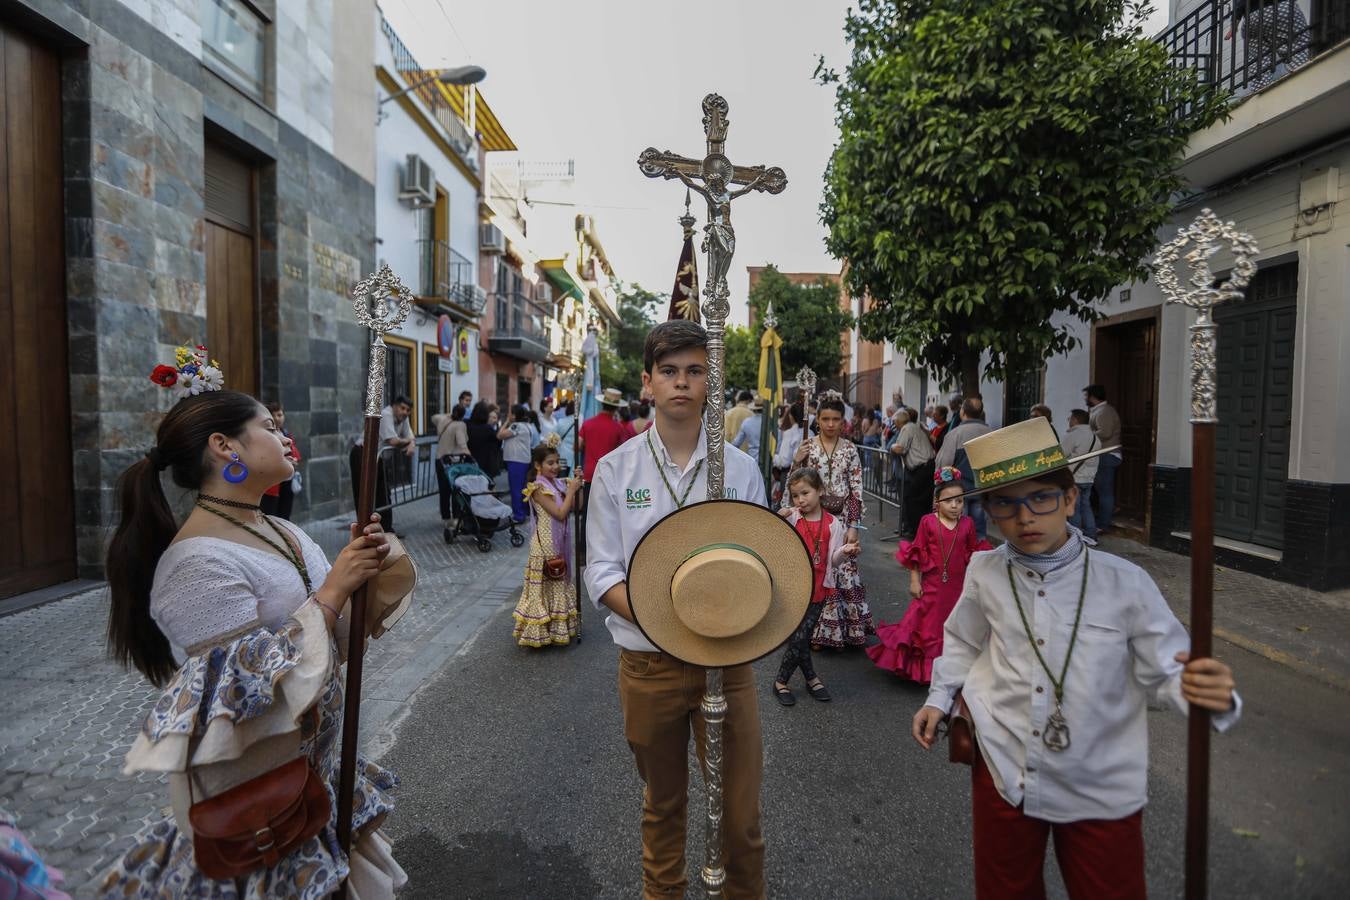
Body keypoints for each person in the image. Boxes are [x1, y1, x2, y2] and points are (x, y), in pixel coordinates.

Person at [912, 417, 1239, 900]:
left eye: (1041, 498)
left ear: (1070, 499)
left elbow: (1168, 668)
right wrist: (939, 698)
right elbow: (963, 639)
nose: (1025, 518)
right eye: (1005, 503)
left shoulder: (1124, 583)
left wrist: (1202, 690)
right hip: (1004, 766)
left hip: (1099, 780)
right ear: (991, 513)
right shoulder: (985, 572)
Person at [97, 389, 405, 898]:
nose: (286, 437)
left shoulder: (281, 529)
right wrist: (332, 591)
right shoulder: (195, 566)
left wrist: (368, 571)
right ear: (225, 446)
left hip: (315, 774)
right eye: (269, 426)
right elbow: (250, 694)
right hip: (259, 799)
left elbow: (338, 644)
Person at [584, 319, 768, 899]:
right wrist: (670, 618)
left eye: (694, 371)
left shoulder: (739, 469)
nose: (681, 383)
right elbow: (603, 570)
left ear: (710, 382)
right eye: (668, 372)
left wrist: (726, 612)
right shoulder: (617, 469)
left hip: (727, 665)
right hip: (649, 665)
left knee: (739, 821)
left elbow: (764, 566)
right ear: (648, 382)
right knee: (663, 809)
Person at [867, 466, 990, 683]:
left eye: (959, 501)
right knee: (927, 625)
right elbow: (916, 553)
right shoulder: (928, 522)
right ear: (937, 501)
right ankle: (924, 670)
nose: (954, 505)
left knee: (953, 623)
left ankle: (951, 668)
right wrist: (915, 581)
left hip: (957, 586)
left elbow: (972, 554)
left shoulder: (968, 524)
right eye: (948, 500)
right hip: (932, 585)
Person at [789, 394, 873, 649]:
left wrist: (854, 526)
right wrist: (796, 460)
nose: (830, 424)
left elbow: (857, 489)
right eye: (825, 418)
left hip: (843, 517)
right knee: (817, 570)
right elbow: (795, 485)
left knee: (843, 569)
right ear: (818, 420)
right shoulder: (808, 447)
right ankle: (815, 631)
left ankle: (846, 630)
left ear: (842, 421)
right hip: (814, 518)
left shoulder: (850, 449)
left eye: (835, 419)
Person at [772, 467, 860, 706]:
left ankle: (803, 678)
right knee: (800, 636)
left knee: (803, 636)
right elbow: (773, 538)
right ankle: (789, 680)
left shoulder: (833, 524)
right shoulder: (793, 518)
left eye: (805, 493)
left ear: (820, 490)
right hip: (793, 587)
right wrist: (779, 515)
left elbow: (833, 559)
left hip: (819, 587)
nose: (801, 500)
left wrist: (846, 551)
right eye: (796, 495)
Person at [513, 440, 583, 647]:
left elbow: (576, 507)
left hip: (558, 542)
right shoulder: (537, 488)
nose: (555, 467)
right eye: (550, 463)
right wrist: (571, 491)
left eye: (557, 462)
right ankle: (539, 632)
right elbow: (560, 514)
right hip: (544, 545)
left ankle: (556, 629)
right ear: (538, 466)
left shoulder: (558, 484)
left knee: (558, 583)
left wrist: (576, 486)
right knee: (544, 585)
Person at [937, 396, 993, 539]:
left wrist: (939, 491)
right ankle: (979, 557)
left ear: (963, 412)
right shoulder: (991, 434)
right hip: (982, 490)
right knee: (979, 531)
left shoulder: (955, 434)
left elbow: (944, 465)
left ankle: (961, 559)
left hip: (959, 492)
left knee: (958, 531)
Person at [891, 406, 936, 536]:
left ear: (899, 421)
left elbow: (900, 449)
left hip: (923, 468)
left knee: (912, 500)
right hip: (927, 466)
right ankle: (921, 530)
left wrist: (893, 446)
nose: (895, 426)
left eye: (895, 423)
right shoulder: (913, 426)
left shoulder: (906, 428)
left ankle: (917, 531)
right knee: (922, 500)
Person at [1083, 384, 1122, 532]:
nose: (1085, 399)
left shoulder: (1105, 411)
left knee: (1104, 492)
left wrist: (1086, 434)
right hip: (1103, 454)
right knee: (1098, 490)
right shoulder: (1099, 410)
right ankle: (1100, 520)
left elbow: (1105, 433)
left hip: (1106, 455)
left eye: (1086, 396)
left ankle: (1103, 524)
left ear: (1093, 396)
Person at [1061, 409, 1100, 545]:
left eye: (1070, 418)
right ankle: (1091, 535)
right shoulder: (1095, 436)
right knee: (1086, 506)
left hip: (1075, 477)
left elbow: (1061, 453)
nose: (1068, 421)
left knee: (1074, 508)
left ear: (1076, 420)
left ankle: (1076, 538)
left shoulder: (1074, 435)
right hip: (1089, 478)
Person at [431, 405, 472, 527]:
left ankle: (446, 518)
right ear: (463, 415)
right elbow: (461, 442)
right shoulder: (460, 425)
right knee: (456, 490)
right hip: (453, 461)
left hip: (440, 460)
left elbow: (433, 417)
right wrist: (469, 454)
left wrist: (449, 415)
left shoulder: (443, 420)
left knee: (444, 491)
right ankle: (456, 518)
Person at [260, 399, 299, 520]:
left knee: (284, 515)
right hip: (271, 487)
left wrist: (293, 460)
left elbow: (295, 453)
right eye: (274, 415)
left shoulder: (287, 433)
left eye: (280, 414)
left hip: (286, 483)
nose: (278, 418)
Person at [503, 403, 536, 524]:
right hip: (522, 460)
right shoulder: (526, 426)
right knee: (522, 488)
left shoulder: (516, 426)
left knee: (516, 488)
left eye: (510, 413)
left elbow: (500, 435)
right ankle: (523, 511)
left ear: (514, 415)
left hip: (516, 461)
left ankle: (518, 515)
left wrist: (507, 421)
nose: (509, 415)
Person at [466, 400, 510, 478]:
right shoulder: (488, 429)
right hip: (486, 463)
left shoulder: (467, 425)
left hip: (470, 461)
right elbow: (498, 441)